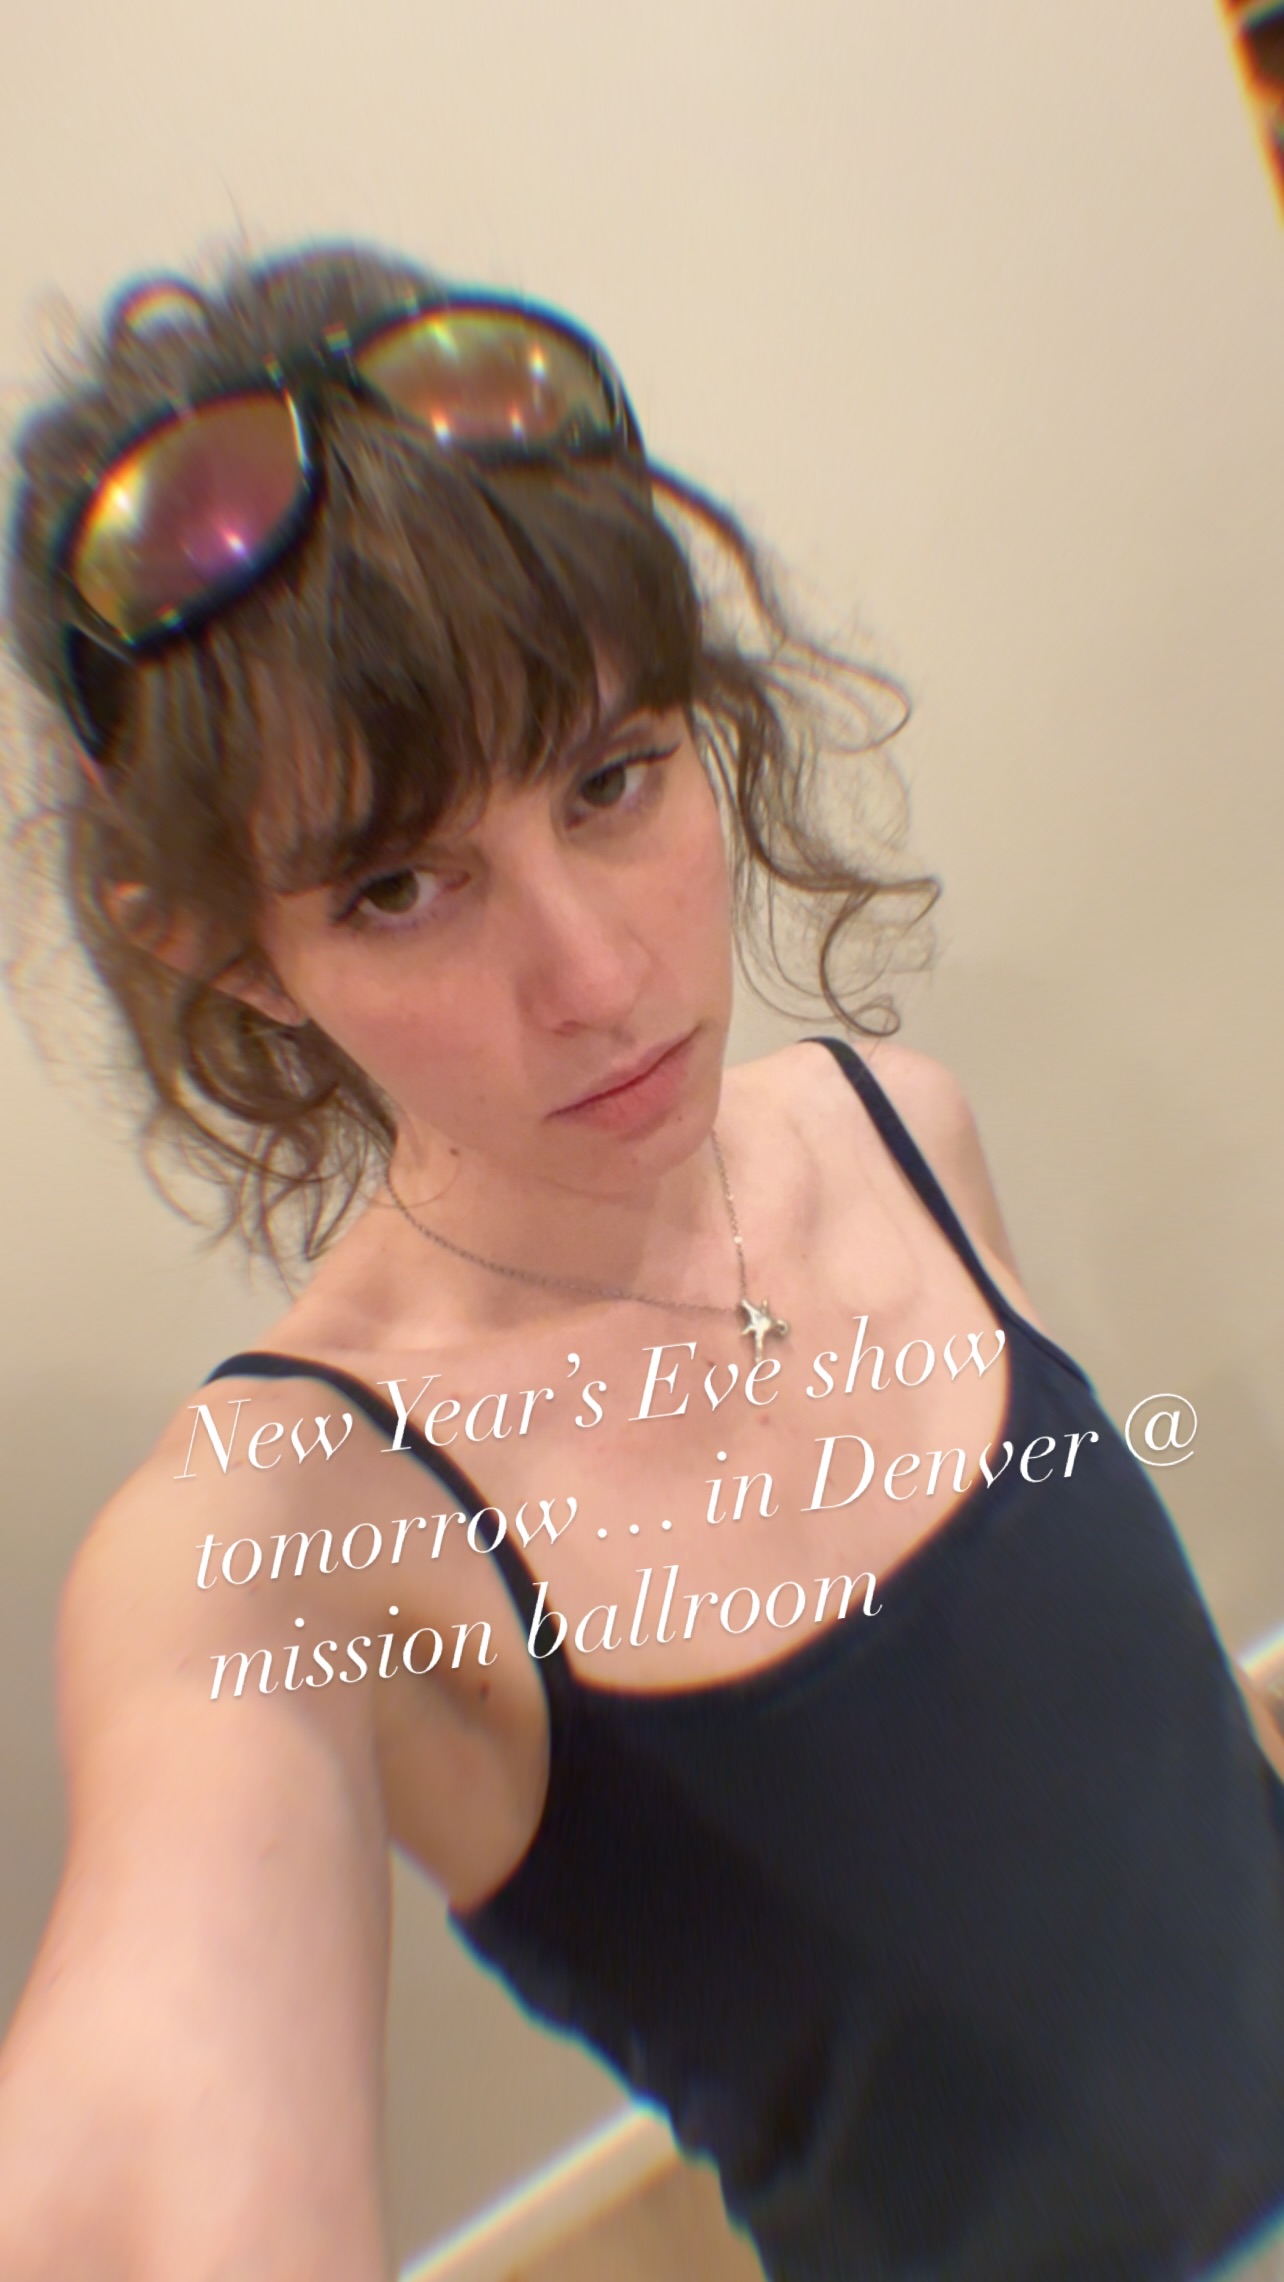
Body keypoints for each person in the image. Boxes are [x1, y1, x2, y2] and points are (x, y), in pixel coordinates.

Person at [0, 240, 1282, 2282]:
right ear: (226, 945)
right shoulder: (297, 1524)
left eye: (613, 780)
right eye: (400, 886)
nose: (595, 975)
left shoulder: (899, 1131)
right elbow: (160, 2085)